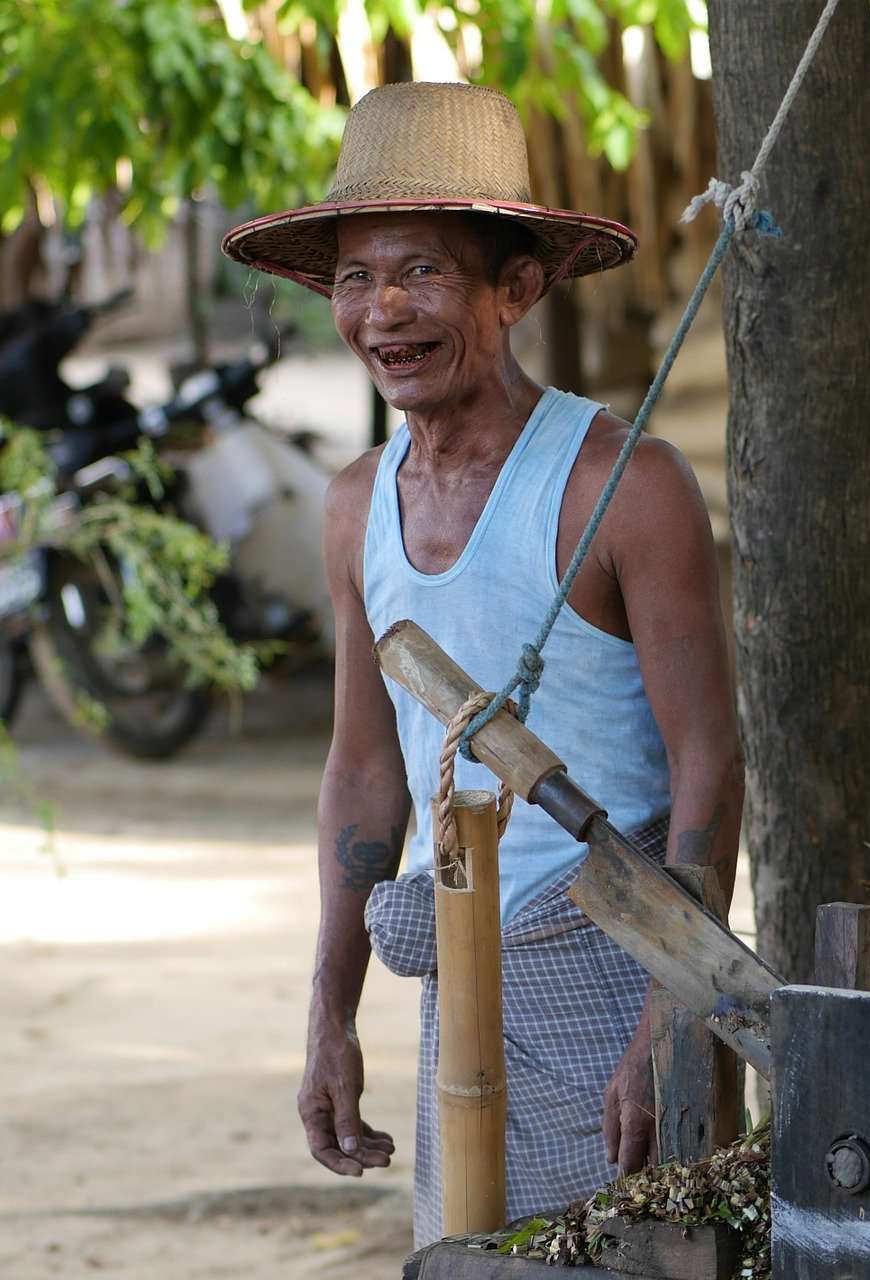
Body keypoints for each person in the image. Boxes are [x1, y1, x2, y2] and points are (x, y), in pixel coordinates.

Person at [222, 80, 741, 1245]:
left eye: (421, 272)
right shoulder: (354, 504)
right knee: (468, 1260)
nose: (382, 310)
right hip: (462, 996)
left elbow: (707, 758)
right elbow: (363, 773)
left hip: (618, 985)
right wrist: (329, 1009)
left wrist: (670, 1024)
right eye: (355, 277)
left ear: (516, 288)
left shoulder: (622, 487)